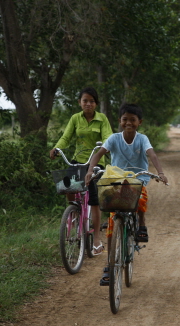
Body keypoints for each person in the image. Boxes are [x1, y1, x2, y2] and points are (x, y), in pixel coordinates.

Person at [84, 103, 168, 285]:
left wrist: (160, 173)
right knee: (113, 221)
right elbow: (99, 154)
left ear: (139, 122)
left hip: (137, 180)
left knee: (140, 198)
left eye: (132, 120)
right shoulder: (114, 139)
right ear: (120, 121)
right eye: (125, 119)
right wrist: (90, 170)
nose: (128, 123)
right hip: (116, 180)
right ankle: (109, 265)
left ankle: (142, 225)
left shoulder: (142, 139)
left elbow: (151, 154)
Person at [49, 87, 112, 255]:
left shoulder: (102, 119)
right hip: (78, 160)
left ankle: (97, 239)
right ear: (80, 102)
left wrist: (106, 147)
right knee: (67, 185)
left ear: (96, 104)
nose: (88, 104)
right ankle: (74, 211)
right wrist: (57, 148)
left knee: (94, 200)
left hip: (96, 162)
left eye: (92, 101)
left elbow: (108, 137)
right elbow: (66, 137)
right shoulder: (75, 118)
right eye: (85, 101)